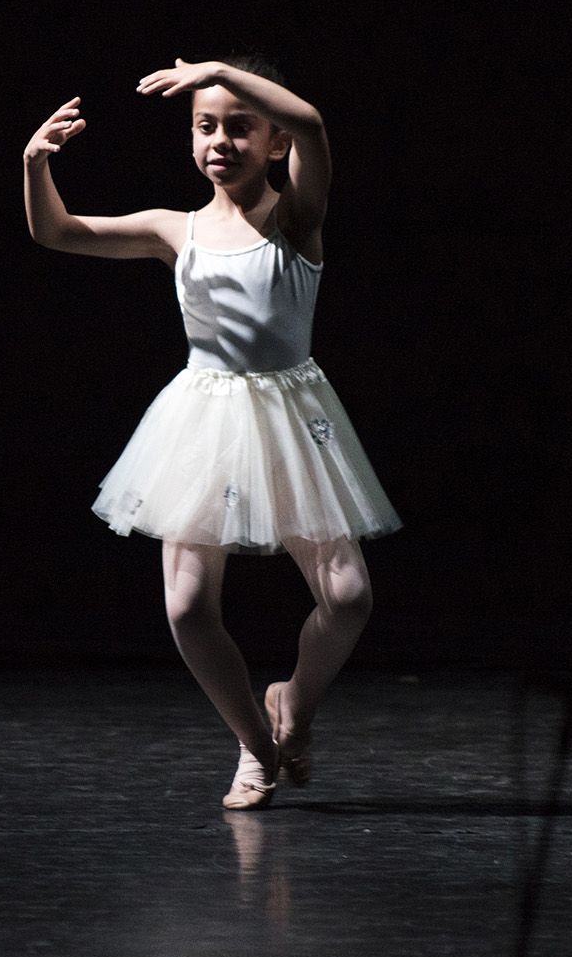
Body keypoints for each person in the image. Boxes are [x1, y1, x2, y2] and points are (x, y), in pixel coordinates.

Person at [22, 55, 402, 809]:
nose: (219, 141)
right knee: (189, 607)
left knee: (350, 596)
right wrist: (35, 164)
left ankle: (293, 700)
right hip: (202, 418)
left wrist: (221, 69)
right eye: (204, 127)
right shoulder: (177, 229)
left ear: (274, 144)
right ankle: (254, 745)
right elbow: (58, 232)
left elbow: (314, 122)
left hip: (293, 418)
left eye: (239, 127)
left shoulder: (296, 218)